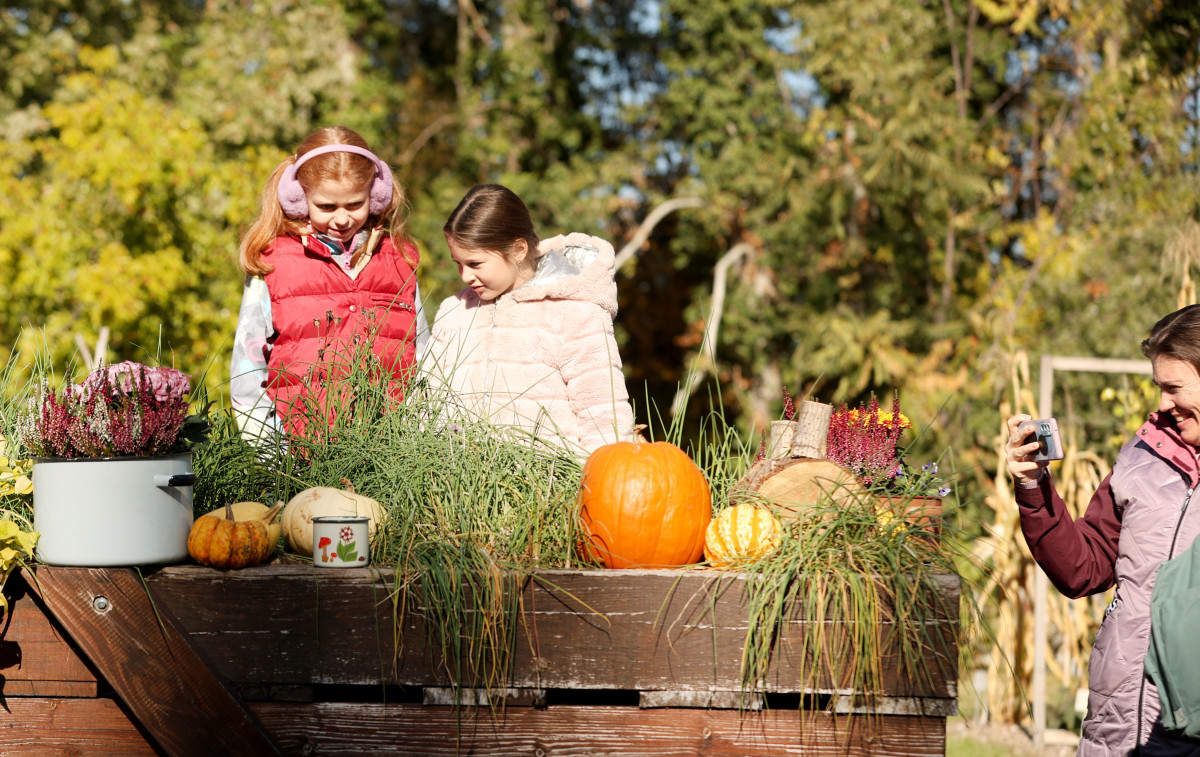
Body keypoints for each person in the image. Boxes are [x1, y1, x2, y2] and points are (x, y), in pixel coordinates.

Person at [1006, 303, 1200, 756]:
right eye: (1159, 388)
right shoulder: (1141, 456)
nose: (1162, 403)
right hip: (1116, 731)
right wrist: (1033, 486)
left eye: (1174, 388)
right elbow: (1083, 568)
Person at [230, 126, 427, 440]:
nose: (342, 219)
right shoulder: (272, 261)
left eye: (354, 205)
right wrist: (271, 453)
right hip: (298, 454)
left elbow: (423, 356)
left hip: (390, 450)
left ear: (375, 197)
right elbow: (246, 369)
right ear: (298, 198)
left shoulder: (400, 258)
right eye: (326, 207)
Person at [425, 183, 636, 455]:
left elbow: (602, 412)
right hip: (460, 489)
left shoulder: (574, 311)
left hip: (551, 486)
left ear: (518, 250)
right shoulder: (454, 313)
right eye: (458, 263)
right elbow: (427, 402)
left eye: (475, 264)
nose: (465, 276)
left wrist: (601, 482)